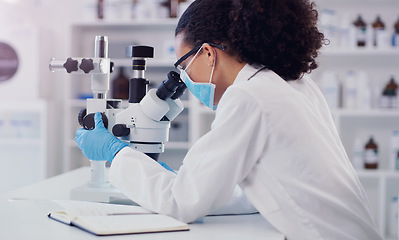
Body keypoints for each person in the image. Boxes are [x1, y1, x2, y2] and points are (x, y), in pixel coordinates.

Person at [75, 0, 382, 239]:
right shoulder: (292, 83)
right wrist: (178, 177)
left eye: (184, 65)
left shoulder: (248, 97)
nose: (184, 78)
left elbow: (181, 203)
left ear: (208, 53)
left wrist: (116, 152)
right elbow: (255, 194)